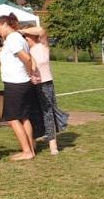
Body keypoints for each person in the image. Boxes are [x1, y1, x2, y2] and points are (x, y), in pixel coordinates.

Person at [21, 22, 69, 155]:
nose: (24, 38)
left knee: (48, 113)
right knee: (32, 113)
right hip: (31, 84)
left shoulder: (43, 45)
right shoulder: (25, 50)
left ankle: (53, 144)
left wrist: (21, 31)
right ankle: (33, 142)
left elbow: (41, 30)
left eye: (26, 36)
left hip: (46, 84)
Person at [0, 14, 37, 161]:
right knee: (24, 117)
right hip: (22, 82)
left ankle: (27, 151)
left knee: (12, 118)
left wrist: (30, 71)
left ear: (4, 24)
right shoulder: (18, 38)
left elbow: (26, 58)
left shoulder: (13, 38)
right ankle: (30, 149)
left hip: (15, 84)